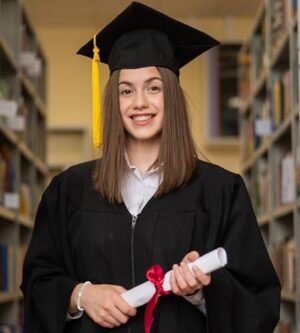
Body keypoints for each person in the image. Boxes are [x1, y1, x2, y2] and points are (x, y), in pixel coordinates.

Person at [21, 2, 281, 333]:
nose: (139, 102)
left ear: (170, 96)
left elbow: (259, 299)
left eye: (153, 87)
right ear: (114, 103)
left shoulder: (220, 191)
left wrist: (200, 293)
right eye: (126, 90)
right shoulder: (70, 189)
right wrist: (80, 295)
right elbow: (37, 281)